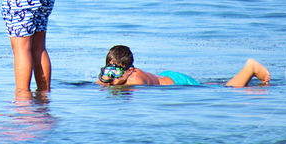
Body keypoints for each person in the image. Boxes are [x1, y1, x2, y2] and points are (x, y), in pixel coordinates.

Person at [96, 45, 271, 87]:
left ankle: (250, 68)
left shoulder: (135, 79)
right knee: (213, 85)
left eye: (117, 71)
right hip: (163, 76)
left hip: (178, 82)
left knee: (226, 89)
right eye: (109, 70)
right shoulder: (114, 78)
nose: (113, 76)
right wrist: (104, 79)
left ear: (130, 70)